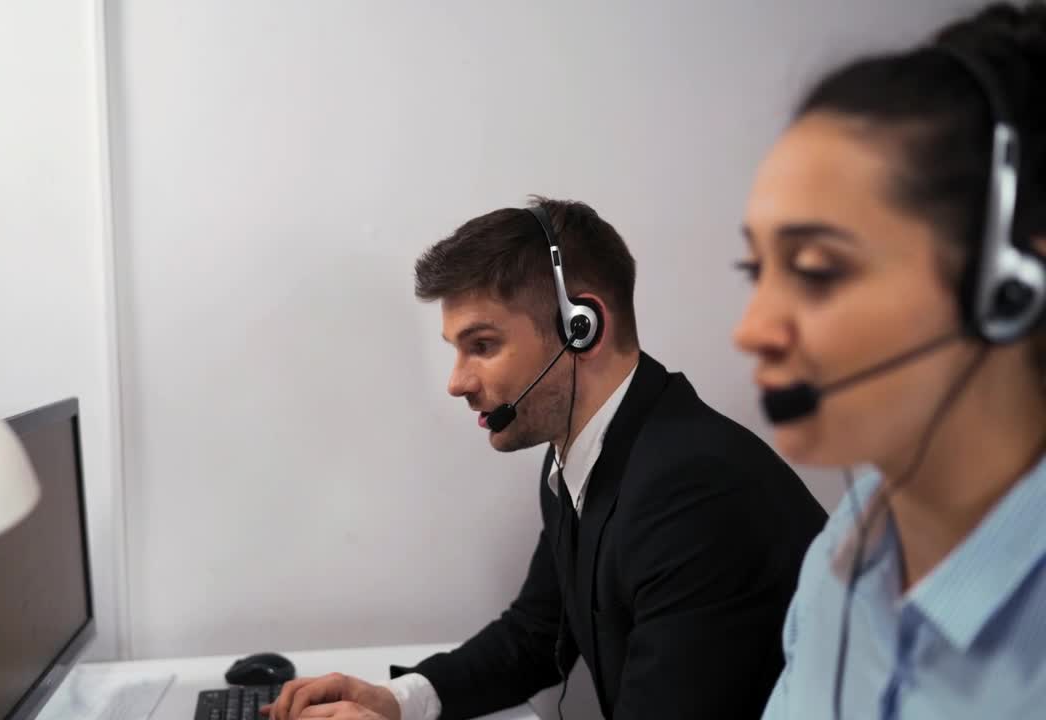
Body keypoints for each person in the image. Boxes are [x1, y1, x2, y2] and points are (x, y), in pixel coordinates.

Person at [265, 197, 827, 720]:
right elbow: (536, 635)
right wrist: (394, 700)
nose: (457, 383)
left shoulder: (692, 492)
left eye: (481, 346)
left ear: (583, 329)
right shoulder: (581, 457)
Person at [732, 3, 1046, 718]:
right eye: (756, 271)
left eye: (815, 269)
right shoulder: (839, 555)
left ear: (1010, 292)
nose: (751, 329)